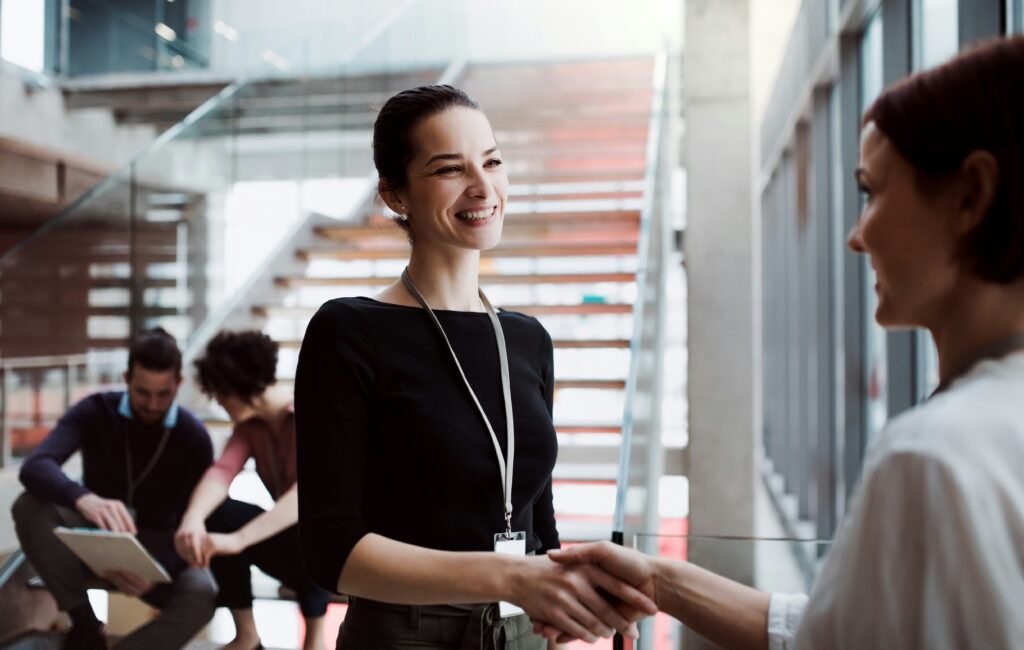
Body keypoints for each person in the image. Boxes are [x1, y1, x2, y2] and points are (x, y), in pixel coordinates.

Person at [538, 35, 1024, 650]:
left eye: (871, 192)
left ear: (971, 194)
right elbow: (846, 631)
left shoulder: (933, 458)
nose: (857, 235)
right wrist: (660, 581)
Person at [294, 84, 656, 649]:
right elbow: (330, 549)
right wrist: (509, 574)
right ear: (396, 195)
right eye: (449, 169)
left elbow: (539, 524)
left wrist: (577, 608)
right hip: (404, 635)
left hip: (522, 631)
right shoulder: (350, 331)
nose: (483, 187)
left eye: (492, 162)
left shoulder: (527, 338)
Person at [11, 328, 216, 650]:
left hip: (160, 552)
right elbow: (36, 466)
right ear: (126, 378)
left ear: (179, 383)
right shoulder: (95, 410)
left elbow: (196, 521)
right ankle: (86, 626)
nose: (151, 404)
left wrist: (160, 568)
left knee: (203, 592)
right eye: (142, 392)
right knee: (29, 507)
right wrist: (83, 498)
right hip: (93, 540)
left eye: (163, 394)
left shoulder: (195, 437)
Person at [174, 330, 329, 650]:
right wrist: (193, 518)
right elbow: (221, 473)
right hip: (293, 550)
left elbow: (311, 495)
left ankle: (315, 640)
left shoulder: (312, 411)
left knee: (317, 530)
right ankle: (247, 636)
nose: (217, 401)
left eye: (218, 393)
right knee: (219, 514)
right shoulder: (250, 428)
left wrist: (239, 539)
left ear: (235, 385)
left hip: (330, 547)